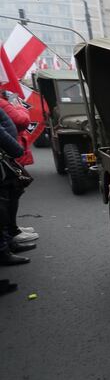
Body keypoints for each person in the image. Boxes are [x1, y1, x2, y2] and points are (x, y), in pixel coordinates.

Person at [0, 90, 38, 247]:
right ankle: (9, 236)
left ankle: (11, 232)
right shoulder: (3, 102)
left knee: (12, 192)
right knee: (9, 193)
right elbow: (22, 120)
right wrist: (19, 106)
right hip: (8, 153)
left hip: (9, 152)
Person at [0, 105, 28, 267]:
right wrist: (16, 149)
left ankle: (8, 243)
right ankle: (5, 247)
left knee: (8, 199)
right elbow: (20, 120)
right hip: (7, 153)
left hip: (6, 155)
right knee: (3, 206)